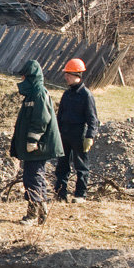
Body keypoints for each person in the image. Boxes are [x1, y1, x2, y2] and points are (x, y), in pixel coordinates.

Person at [11, 60, 63, 226]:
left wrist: (33, 140)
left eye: (24, 76)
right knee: (34, 176)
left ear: (30, 76)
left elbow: (41, 119)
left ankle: (33, 214)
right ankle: (41, 210)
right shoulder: (33, 93)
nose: (22, 79)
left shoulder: (39, 93)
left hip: (39, 146)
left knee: (33, 177)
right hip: (36, 146)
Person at [55, 58, 99, 203]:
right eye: (66, 74)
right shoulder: (66, 94)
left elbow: (93, 119)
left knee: (81, 166)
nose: (66, 77)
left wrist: (90, 136)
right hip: (64, 134)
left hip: (79, 134)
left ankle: (80, 195)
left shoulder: (86, 95)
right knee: (62, 165)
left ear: (77, 75)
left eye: (68, 74)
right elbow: (59, 116)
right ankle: (60, 194)